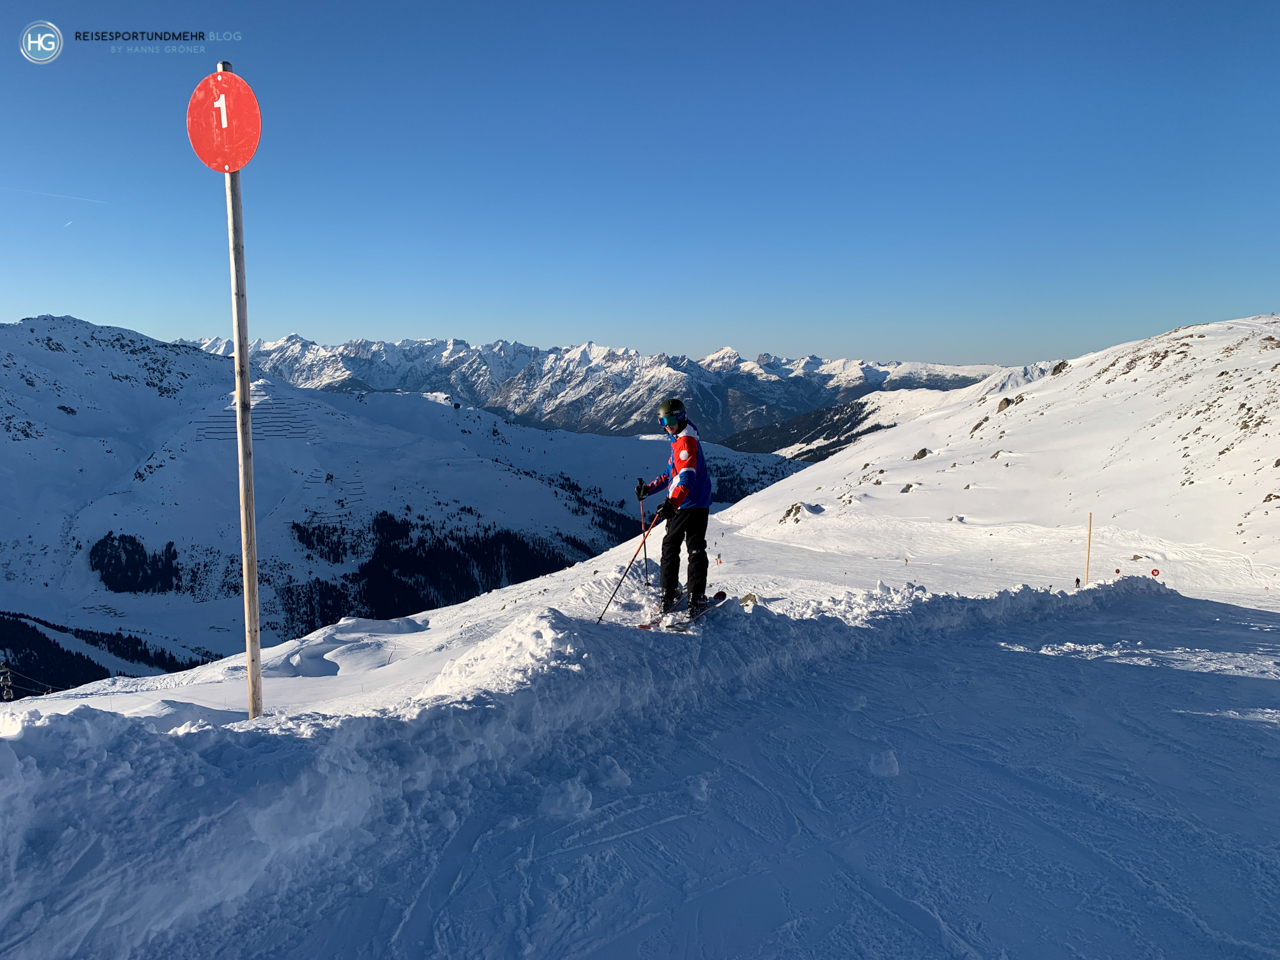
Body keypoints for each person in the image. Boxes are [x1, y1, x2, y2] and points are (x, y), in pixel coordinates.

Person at [636, 398, 713, 613]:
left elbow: (686, 478)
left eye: (670, 420)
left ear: (681, 417)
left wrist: (672, 503)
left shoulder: (685, 444)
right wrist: (649, 489)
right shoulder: (682, 437)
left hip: (685, 503)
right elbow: (671, 475)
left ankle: (669, 593)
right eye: (662, 422)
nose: (667, 426)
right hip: (698, 502)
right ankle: (695, 596)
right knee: (695, 549)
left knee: (671, 547)